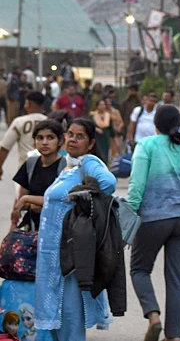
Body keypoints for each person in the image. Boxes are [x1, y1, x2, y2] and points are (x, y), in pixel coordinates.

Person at [127, 105, 180, 341]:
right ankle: (173, 336)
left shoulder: (146, 146)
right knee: (177, 279)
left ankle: (153, 316)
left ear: (155, 125)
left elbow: (136, 188)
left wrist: (128, 220)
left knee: (139, 269)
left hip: (154, 219)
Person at [34, 118, 119, 341]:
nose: (73, 139)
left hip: (69, 255)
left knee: (69, 317)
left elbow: (108, 182)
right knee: (53, 316)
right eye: (70, 134)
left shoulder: (87, 162)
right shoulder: (68, 165)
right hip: (50, 255)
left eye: (80, 136)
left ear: (91, 143)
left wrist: (83, 194)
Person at [11, 119, 65, 229]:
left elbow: (63, 202)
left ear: (60, 141)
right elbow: (21, 203)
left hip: (56, 230)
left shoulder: (66, 168)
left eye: (50, 137)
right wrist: (13, 225)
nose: (44, 142)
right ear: (34, 142)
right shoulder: (30, 164)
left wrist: (30, 200)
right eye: (40, 138)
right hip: (31, 227)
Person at [0, 92, 48, 179]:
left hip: (24, 170)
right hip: (46, 170)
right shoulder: (49, 121)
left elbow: (5, 147)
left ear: (28, 104)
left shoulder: (19, 122)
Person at [91, 96, 123, 163]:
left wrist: (115, 139)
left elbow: (111, 129)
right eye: (100, 105)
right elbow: (90, 126)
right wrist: (96, 129)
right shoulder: (92, 115)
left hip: (105, 138)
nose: (102, 106)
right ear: (97, 106)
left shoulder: (108, 115)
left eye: (103, 105)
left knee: (105, 154)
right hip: (97, 138)